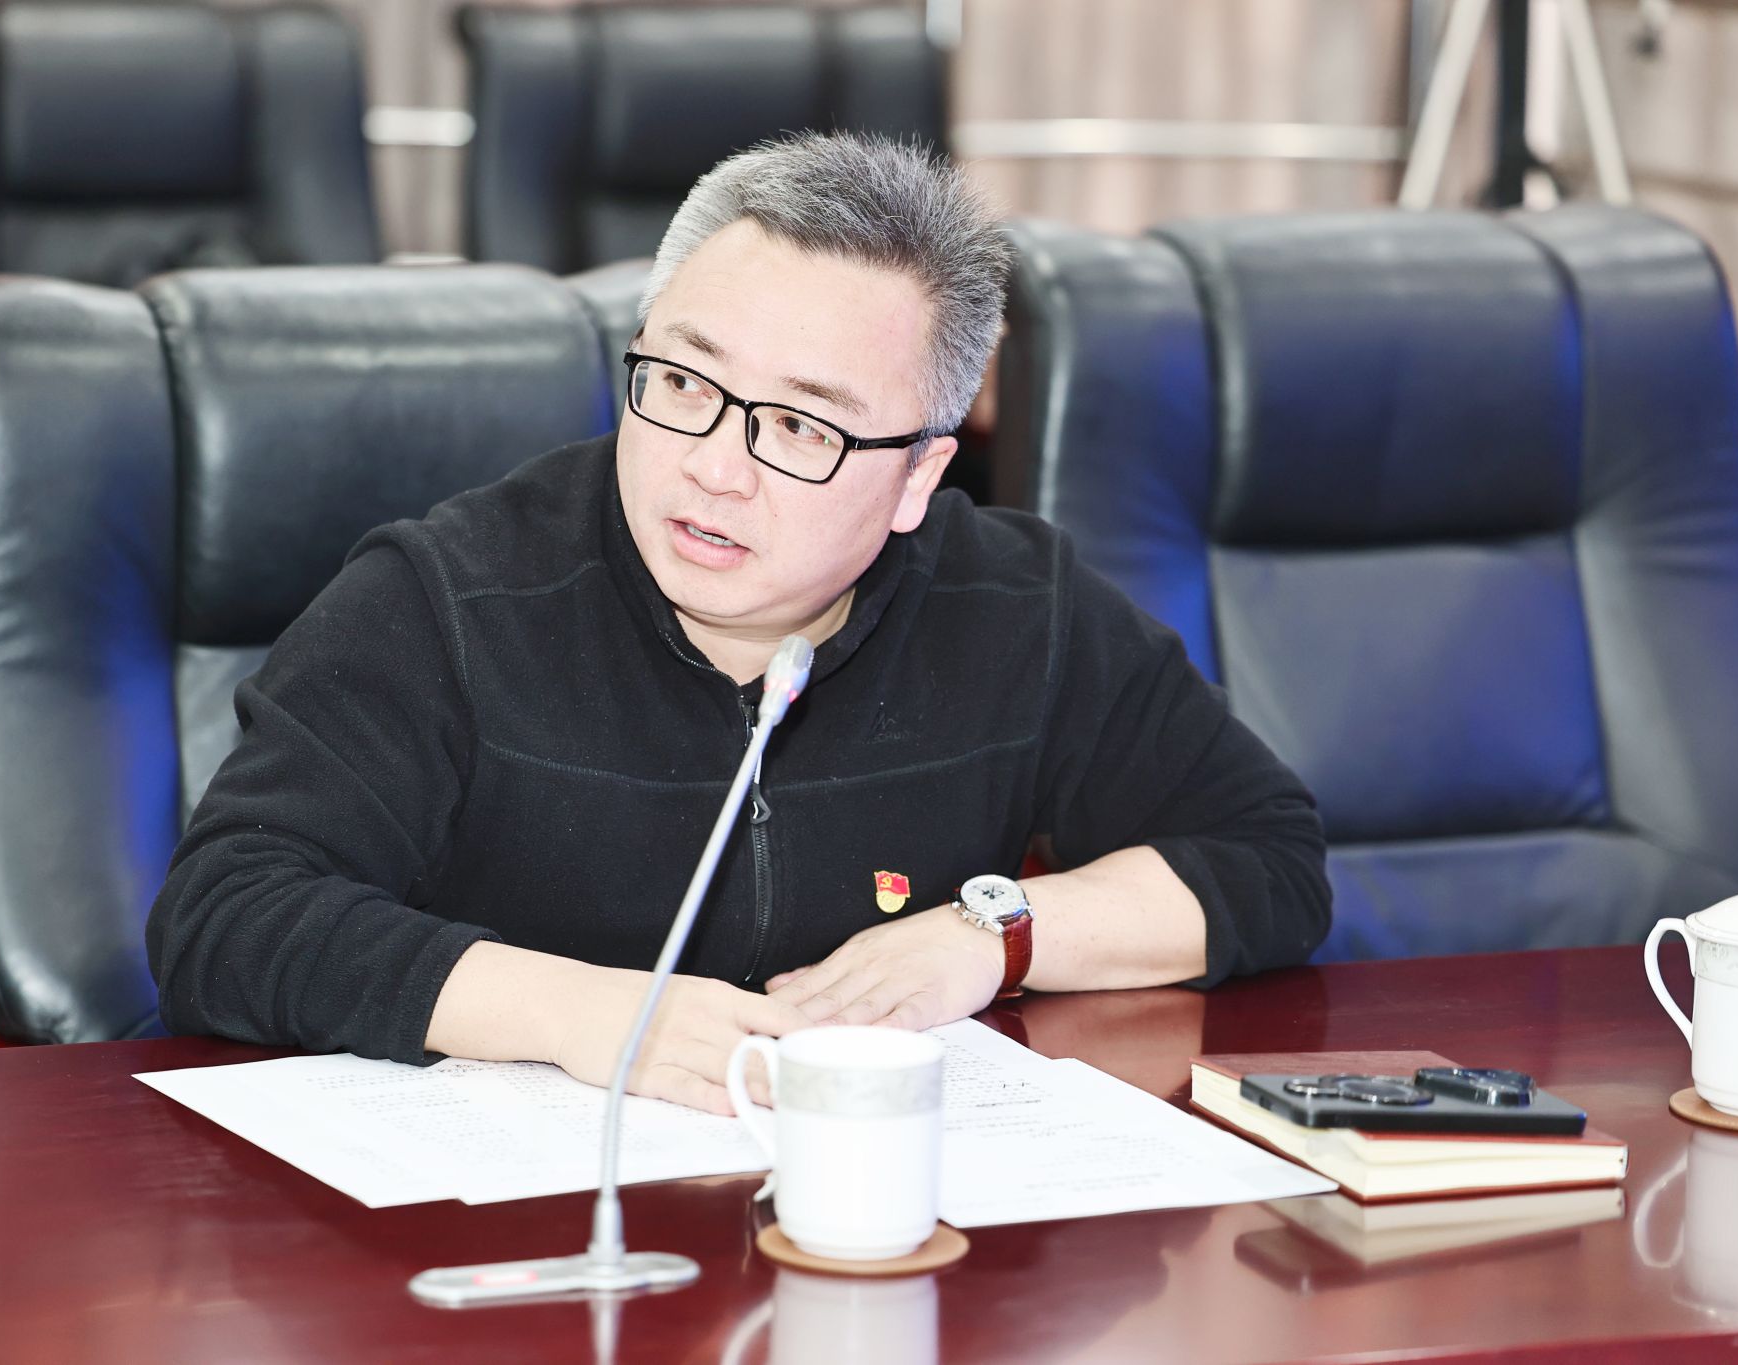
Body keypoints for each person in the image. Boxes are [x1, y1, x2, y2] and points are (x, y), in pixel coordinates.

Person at [147, 133, 1330, 1115]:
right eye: (682, 383)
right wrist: (583, 1014)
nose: (714, 467)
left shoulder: (1013, 606)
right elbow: (226, 915)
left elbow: (1262, 856)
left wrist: (993, 934)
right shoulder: (444, 597)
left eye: (801, 427)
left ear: (917, 477)